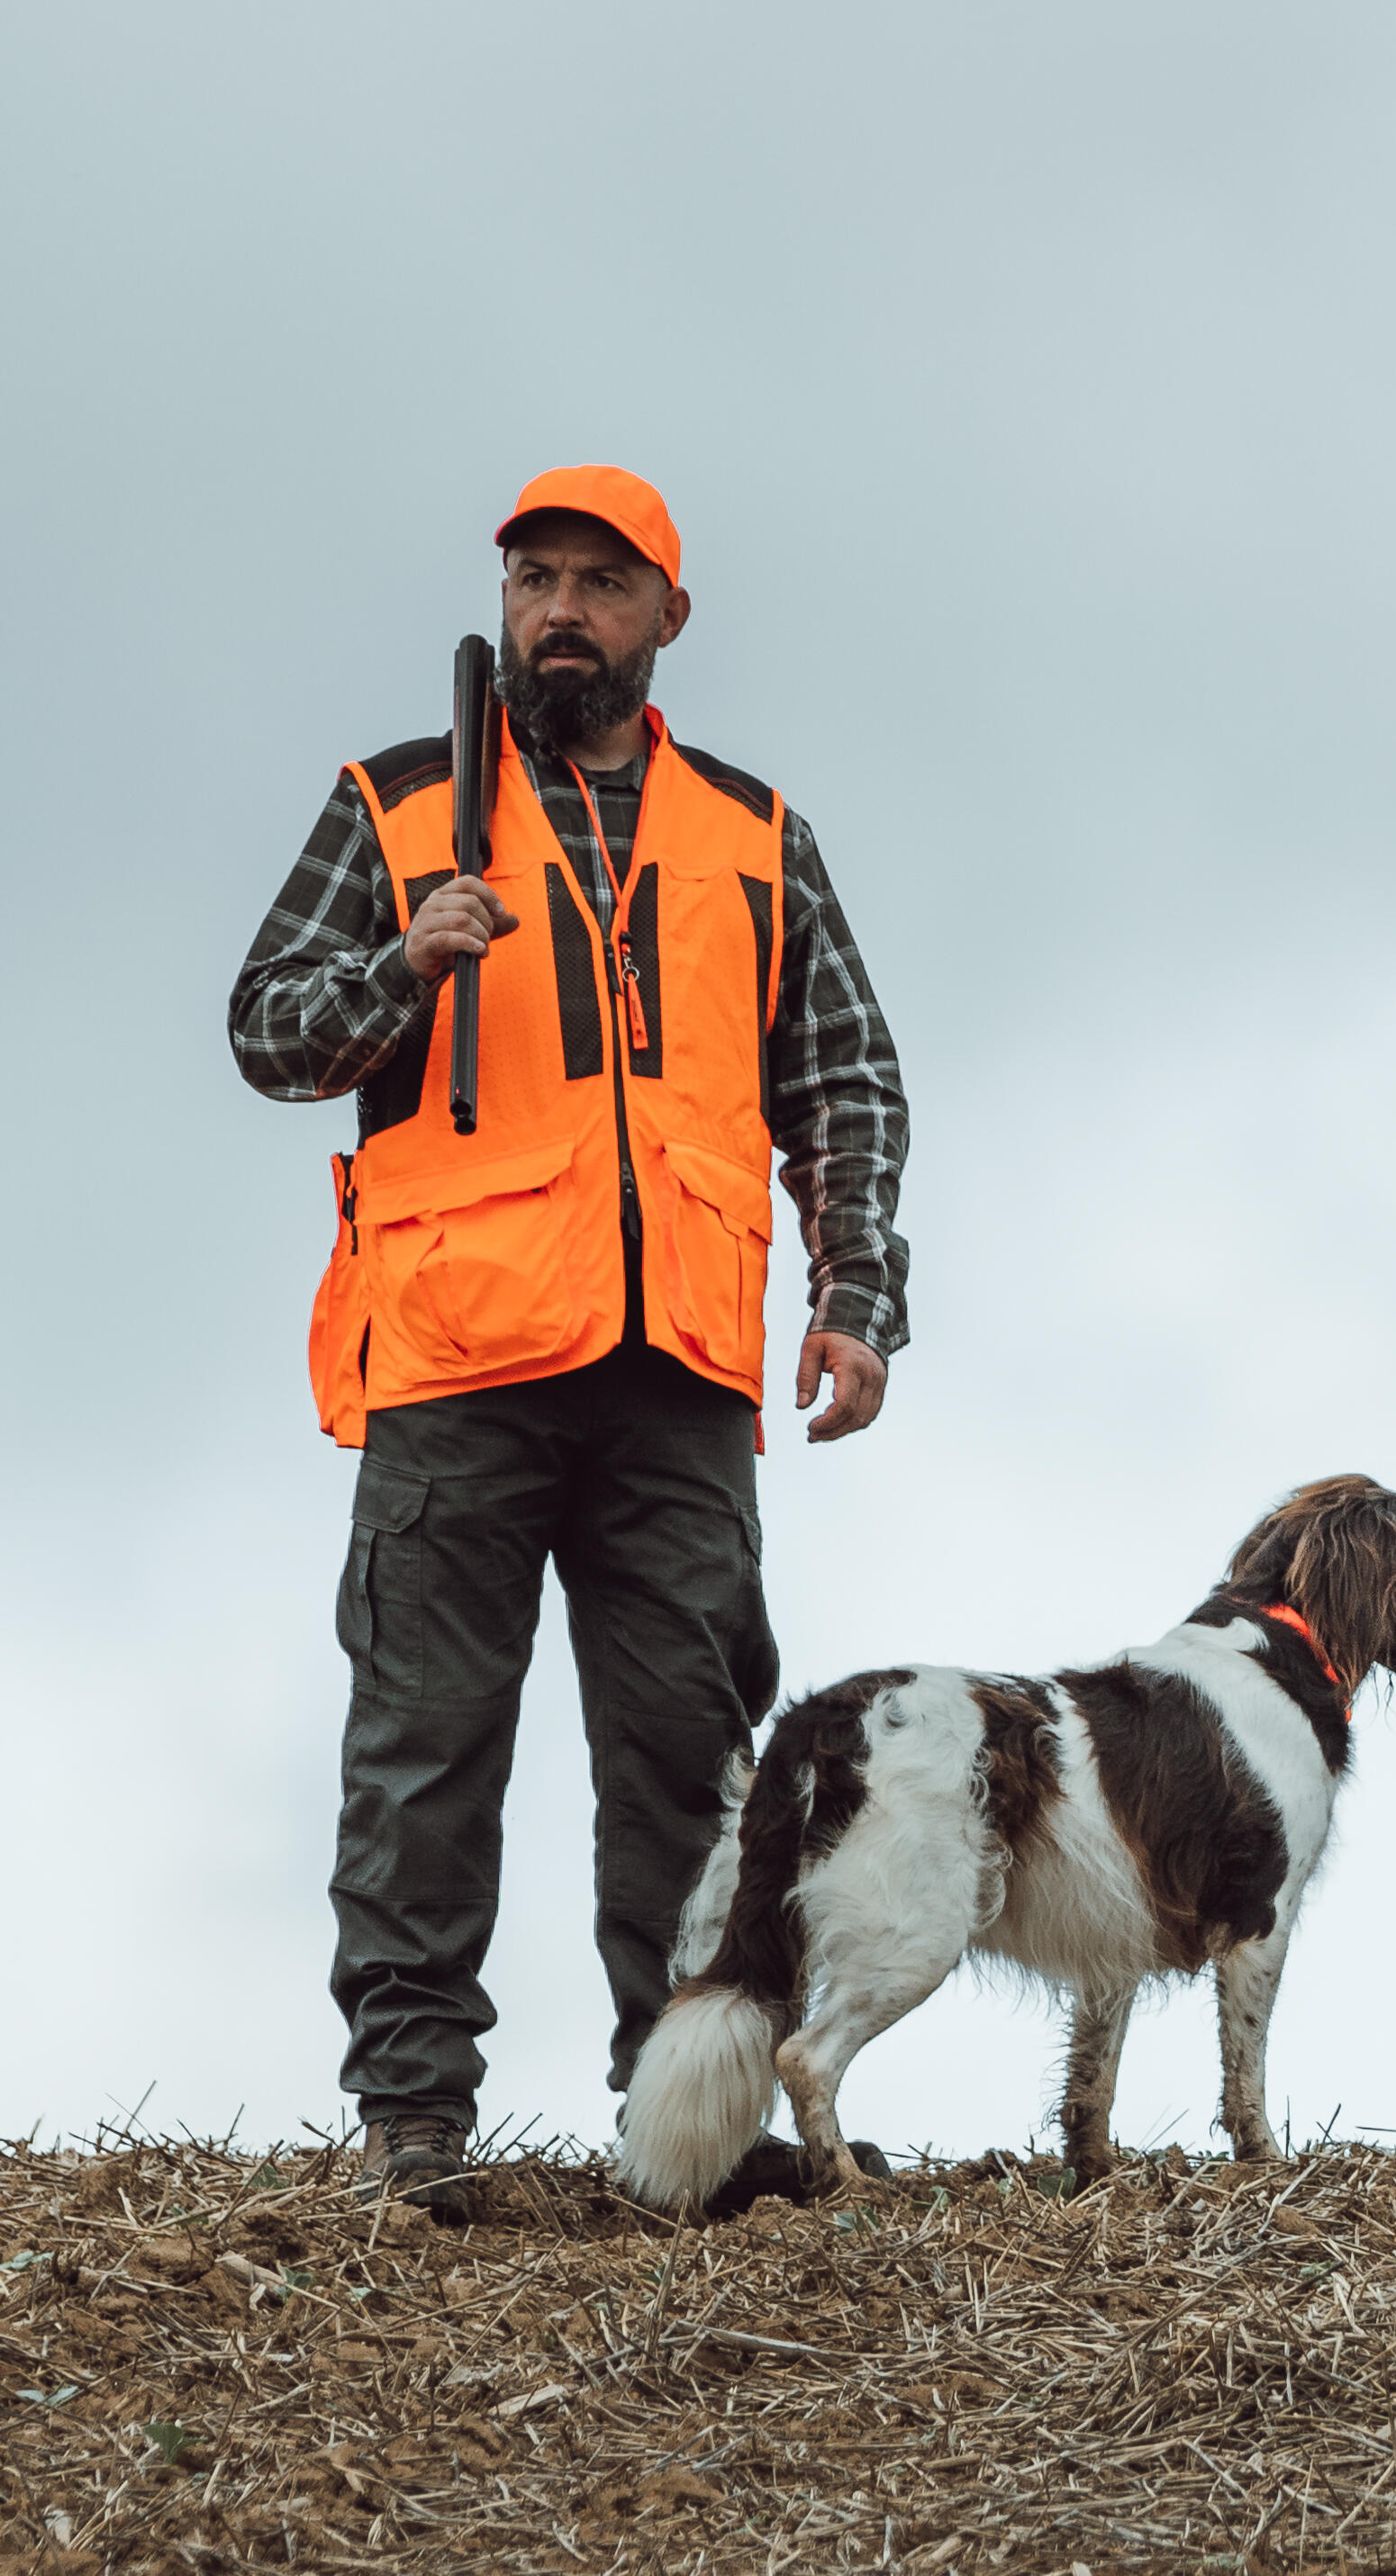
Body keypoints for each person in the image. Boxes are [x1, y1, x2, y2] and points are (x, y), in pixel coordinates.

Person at [229, 464, 913, 2210]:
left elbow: (840, 1078)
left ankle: (683, 2124)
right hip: (455, 1356)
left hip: (673, 1369)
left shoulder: (753, 836)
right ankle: (411, 2128)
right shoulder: (396, 809)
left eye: (601, 585)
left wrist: (852, 1298)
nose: (559, 612)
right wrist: (404, 962)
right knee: (421, 1757)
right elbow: (265, 1029)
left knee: (690, 1760)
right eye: (534, 579)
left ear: (666, 618)